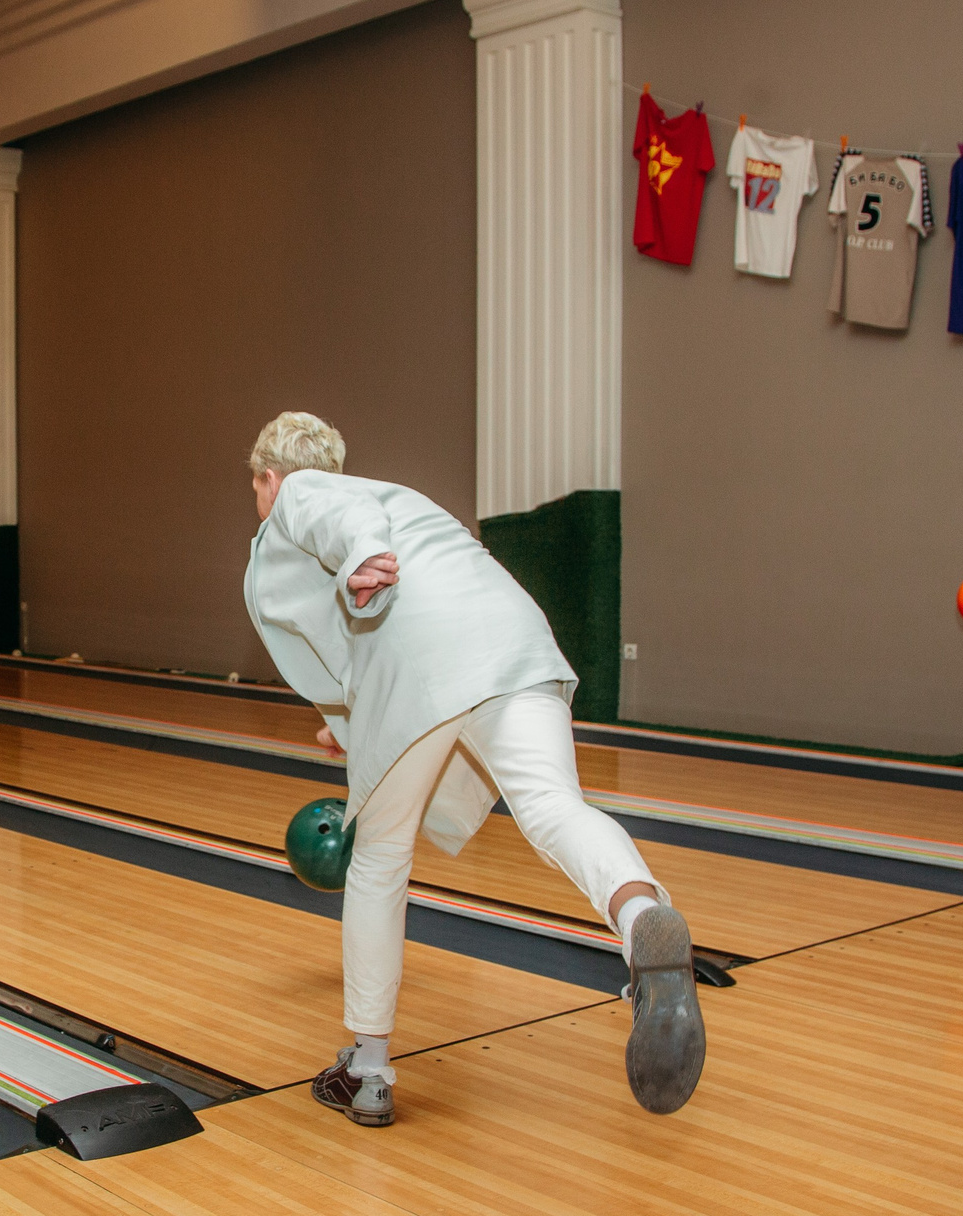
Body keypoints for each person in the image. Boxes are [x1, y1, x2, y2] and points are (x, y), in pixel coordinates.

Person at [241, 411, 706, 1126]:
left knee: (379, 858)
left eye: (256, 484)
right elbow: (360, 649)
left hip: (424, 664)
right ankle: (642, 917)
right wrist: (355, 727)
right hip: (511, 641)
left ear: (270, 477)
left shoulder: (307, 496)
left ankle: (366, 1069)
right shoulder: (404, 499)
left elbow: (341, 520)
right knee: (554, 808)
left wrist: (363, 553)